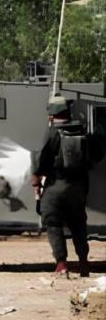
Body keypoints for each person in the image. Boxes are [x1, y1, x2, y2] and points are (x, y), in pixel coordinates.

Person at [32, 95, 103, 277]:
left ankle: (62, 264)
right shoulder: (82, 130)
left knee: (53, 221)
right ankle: (83, 263)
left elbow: (41, 160)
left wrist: (36, 182)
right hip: (78, 187)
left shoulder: (52, 132)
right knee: (78, 224)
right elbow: (97, 154)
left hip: (56, 184)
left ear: (51, 114)